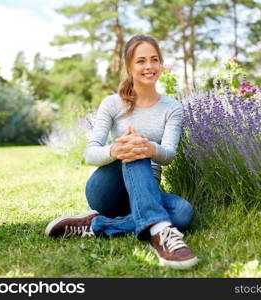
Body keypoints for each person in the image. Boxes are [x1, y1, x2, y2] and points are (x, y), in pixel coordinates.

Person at [45, 34, 198, 269]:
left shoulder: (172, 108)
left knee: (183, 212)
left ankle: (95, 226)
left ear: (160, 63)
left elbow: (168, 155)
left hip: (145, 193)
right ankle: (159, 232)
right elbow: (90, 154)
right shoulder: (112, 103)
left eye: (154, 59)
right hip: (107, 191)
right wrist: (117, 149)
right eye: (141, 61)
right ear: (129, 67)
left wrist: (150, 148)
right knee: (132, 147)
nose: (149, 66)